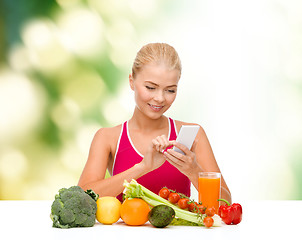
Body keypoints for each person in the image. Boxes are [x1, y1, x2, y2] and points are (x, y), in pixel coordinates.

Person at [78, 43, 232, 204]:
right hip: (124, 230)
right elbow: (82, 198)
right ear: (131, 81)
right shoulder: (108, 137)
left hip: (181, 230)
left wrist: (194, 171)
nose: (160, 98)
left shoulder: (193, 134)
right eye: (151, 87)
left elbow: (226, 204)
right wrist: (142, 167)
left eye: (170, 90)